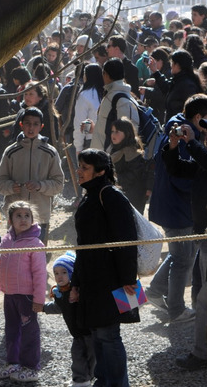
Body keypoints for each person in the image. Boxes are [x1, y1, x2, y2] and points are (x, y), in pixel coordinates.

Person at [161, 111, 207, 370]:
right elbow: (177, 169)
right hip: (206, 237)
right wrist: (173, 146)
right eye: (205, 132)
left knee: (205, 298)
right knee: (202, 294)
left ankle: (202, 354)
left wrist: (192, 142)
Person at [71, 149, 139, 387]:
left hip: (113, 277)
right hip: (92, 277)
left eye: (85, 168)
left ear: (100, 171)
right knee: (98, 335)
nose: (79, 172)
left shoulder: (110, 195)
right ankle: (104, 382)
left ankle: (118, 385)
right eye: (79, 166)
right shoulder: (89, 196)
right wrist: (76, 282)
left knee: (109, 336)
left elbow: (128, 239)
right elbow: (83, 244)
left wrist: (129, 278)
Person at [0, 202, 48, 382]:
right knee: (12, 329)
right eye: (18, 216)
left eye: (27, 215)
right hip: (10, 295)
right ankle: (13, 362)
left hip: (27, 297)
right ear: (10, 220)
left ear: (32, 219)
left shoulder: (35, 243)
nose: (23, 219)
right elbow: (0, 267)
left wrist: (39, 300)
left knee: (29, 331)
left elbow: (40, 274)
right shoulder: (6, 241)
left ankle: (31, 367)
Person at [0, 108, 65, 243]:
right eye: (27, 123)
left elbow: (59, 184)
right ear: (21, 125)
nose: (31, 127)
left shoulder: (50, 152)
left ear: (41, 126)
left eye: (35, 124)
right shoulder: (11, 152)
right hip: (15, 217)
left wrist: (40, 185)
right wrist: (11, 187)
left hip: (40, 217)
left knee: (37, 259)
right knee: (15, 257)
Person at [43, 251, 97, 387]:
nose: (59, 276)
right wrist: (43, 308)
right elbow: (58, 307)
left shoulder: (78, 291)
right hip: (77, 333)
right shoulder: (60, 292)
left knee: (91, 357)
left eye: (64, 272)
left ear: (72, 273)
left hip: (89, 330)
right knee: (78, 355)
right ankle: (81, 379)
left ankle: (85, 378)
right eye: (56, 273)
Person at [91, 58, 140, 151]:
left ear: (106, 74)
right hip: (103, 157)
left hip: (113, 159)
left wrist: (111, 154)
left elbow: (128, 134)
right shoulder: (112, 95)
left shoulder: (121, 100)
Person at [108, 117, 154, 214]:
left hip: (132, 197)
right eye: (112, 131)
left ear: (127, 133)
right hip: (119, 195)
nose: (113, 134)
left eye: (117, 132)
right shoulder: (114, 150)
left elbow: (132, 175)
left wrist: (115, 180)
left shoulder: (133, 153)